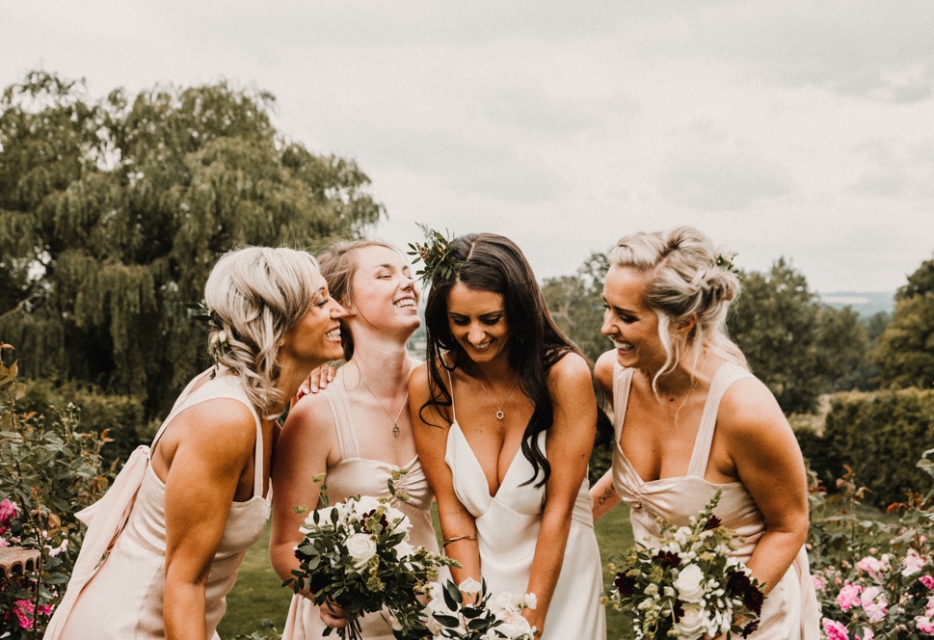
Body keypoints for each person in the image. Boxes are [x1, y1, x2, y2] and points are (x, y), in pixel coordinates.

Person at [44, 247, 345, 640]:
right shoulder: (225, 421)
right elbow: (184, 583)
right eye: (321, 301)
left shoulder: (260, 400)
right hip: (131, 626)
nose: (340, 310)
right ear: (276, 323)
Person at [589, 226, 819, 638]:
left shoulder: (744, 410)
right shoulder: (614, 374)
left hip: (750, 617)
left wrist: (718, 619)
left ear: (683, 322)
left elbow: (790, 526)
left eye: (626, 317)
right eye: (606, 307)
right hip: (667, 617)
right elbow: (639, 481)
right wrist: (574, 518)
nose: (607, 327)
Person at [409, 233, 606, 640]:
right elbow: (452, 510)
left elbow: (559, 511)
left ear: (517, 311)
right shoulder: (432, 384)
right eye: (460, 320)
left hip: (560, 577)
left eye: (490, 319)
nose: (475, 336)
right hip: (476, 576)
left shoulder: (564, 376)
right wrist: (472, 611)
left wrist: (531, 617)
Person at [270, 241, 440, 640]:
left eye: (407, 273)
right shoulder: (316, 412)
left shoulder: (441, 394)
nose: (407, 284)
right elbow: (284, 546)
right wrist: (328, 594)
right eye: (385, 275)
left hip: (432, 615)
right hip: (349, 625)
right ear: (342, 302)